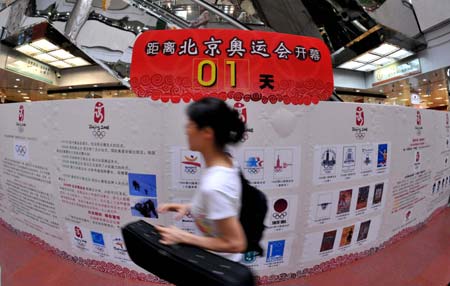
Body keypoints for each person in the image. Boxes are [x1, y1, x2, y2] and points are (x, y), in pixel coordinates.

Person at [156, 97, 247, 262]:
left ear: (207, 133)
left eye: (190, 124)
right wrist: (189, 207)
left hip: (219, 267)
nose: (186, 129)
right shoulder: (226, 162)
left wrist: (183, 237)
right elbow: (222, 204)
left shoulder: (215, 185)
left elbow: (235, 243)